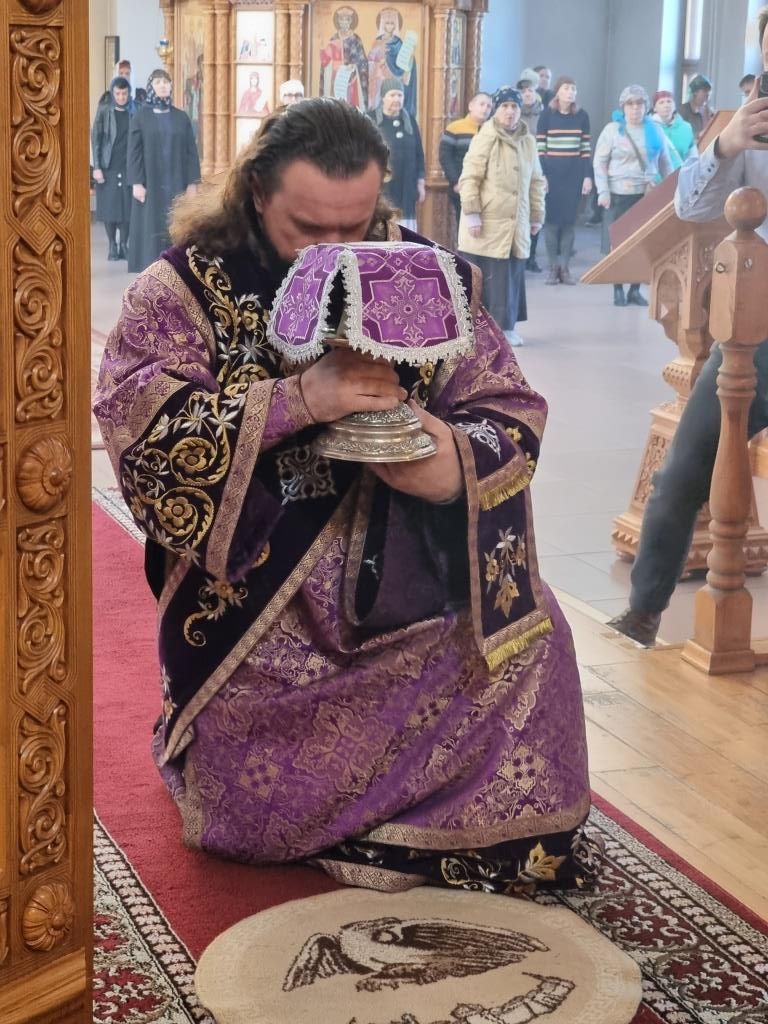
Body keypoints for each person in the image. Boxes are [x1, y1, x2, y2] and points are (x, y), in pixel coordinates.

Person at [93, 97, 598, 897]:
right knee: (245, 813)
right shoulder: (184, 289)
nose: (332, 251)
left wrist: (451, 460)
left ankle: (448, 827)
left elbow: (507, 406)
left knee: (534, 637)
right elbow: (144, 436)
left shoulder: (425, 273)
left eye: (353, 227)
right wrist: (299, 400)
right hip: (261, 612)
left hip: (409, 582)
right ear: (257, 192)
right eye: (307, 229)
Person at [608, 64, 768, 646]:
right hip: (756, 335)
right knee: (682, 470)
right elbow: (692, 207)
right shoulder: (746, 129)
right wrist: (725, 147)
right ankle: (642, 614)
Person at [457, 86, 545, 347]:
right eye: (504, 106)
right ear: (497, 109)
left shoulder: (528, 141)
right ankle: (483, 331)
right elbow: (470, 177)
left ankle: (507, 327)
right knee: (489, 278)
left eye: (514, 107)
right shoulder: (485, 137)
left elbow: (536, 181)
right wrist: (472, 213)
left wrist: (536, 214)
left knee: (511, 277)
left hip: (516, 221)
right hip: (487, 222)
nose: (509, 112)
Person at [594, 84, 674, 306]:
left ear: (646, 106)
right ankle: (618, 288)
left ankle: (635, 289)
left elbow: (665, 162)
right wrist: (603, 191)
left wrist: (671, 190)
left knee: (643, 244)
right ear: (623, 107)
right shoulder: (612, 130)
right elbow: (600, 162)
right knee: (618, 245)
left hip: (647, 194)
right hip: (618, 195)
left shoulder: (655, 130)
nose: (635, 108)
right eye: (630, 104)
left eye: (639, 103)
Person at [126, 68, 201, 273]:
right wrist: (136, 182)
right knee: (151, 224)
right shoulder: (140, 117)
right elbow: (134, 152)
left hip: (175, 179)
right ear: (151, 86)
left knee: (175, 223)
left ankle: (175, 267)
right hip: (150, 182)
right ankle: (151, 270)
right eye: (158, 82)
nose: (162, 86)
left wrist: (192, 183)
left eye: (166, 82)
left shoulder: (181, 117)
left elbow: (191, 152)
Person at [536, 75, 593, 285]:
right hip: (552, 175)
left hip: (573, 175)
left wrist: (587, 176)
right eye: (566, 88)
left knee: (569, 223)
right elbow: (540, 149)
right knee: (551, 223)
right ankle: (553, 267)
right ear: (557, 92)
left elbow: (585, 149)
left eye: (573, 89)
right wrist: (542, 175)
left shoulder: (582, 116)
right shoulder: (546, 115)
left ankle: (565, 268)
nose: (570, 92)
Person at [369, 77, 425, 230]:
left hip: (406, 186)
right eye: (392, 95)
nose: (396, 99)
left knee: (406, 229)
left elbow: (419, 154)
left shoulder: (410, 121)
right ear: (383, 97)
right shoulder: (371, 119)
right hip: (382, 184)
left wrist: (420, 183)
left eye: (400, 95)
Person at [91, 75, 133, 261]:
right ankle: (112, 245)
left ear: (128, 93)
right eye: (118, 93)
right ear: (113, 93)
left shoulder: (135, 111)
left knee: (126, 208)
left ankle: (124, 244)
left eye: (124, 93)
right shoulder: (104, 111)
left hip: (128, 166)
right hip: (108, 166)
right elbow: (96, 140)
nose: (121, 97)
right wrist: (97, 167)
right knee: (110, 208)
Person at [438, 91, 492, 225]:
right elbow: (445, 157)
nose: (485, 108)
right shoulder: (455, 128)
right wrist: (455, 182)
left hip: (488, 190)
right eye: (482, 104)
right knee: (465, 226)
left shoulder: (493, 131)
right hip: (462, 186)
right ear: (471, 106)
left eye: (489, 106)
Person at [367, 6, 418, 116]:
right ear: (382, 24)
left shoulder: (398, 43)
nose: (389, 26)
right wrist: (378, 63)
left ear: (395, 25)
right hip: (379, 80)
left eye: (392, 23)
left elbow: (403, 64)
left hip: (395, 80)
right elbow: (370, 61)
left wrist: (410, 58)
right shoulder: (377, 42)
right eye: (387, 23)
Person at [319, 5, 369, 111]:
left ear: (351, 22)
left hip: (352, 79)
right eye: (341, 20)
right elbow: (326, 60)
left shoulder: (356, 39)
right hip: (336, 79)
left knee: (351, 105)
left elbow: (362, 60)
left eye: (347, 20)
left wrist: (354, 66)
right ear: (338, 22)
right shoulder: (334, 38)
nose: (344, 23)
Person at [518, 70, 544, 272]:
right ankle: (521, 255)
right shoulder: (514, 113)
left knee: (536, 210)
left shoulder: (544, 115)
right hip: (519, 168)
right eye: (524, 90)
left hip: (538, 167)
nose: (527, 94)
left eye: (530, 90)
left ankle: (532, 257)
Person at [651, 90, 696, 168]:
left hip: (680, 174)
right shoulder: (648, 128)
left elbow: (693, 158)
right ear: (655, 108)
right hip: (655, 175)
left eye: (669, 101)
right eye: (661, 102)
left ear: (674, 106)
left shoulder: (686, 128)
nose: (666, 105)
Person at [680, 74, 714, 140]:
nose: (707, 94)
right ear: (695, 92)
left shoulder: (711, 113)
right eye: (704, 91)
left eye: (709, 91)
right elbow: (679, 133)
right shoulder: (683, 111)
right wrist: (698, 135)